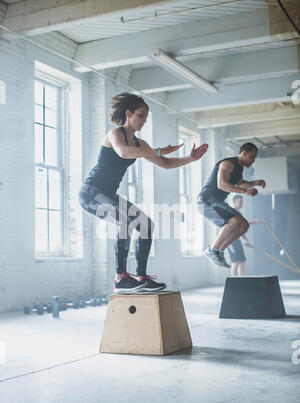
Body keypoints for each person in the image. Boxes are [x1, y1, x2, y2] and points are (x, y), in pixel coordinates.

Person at [79, 92, 209, 293]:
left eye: (146, 117)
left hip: (108, 194)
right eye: (140, 115)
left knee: (146, 225)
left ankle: (141, 277)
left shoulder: (140, 144)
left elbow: (164, 163)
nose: (144, 121)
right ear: (128, 114)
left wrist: (190, 159)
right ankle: (121, 278)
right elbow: (123, 152)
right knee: (125, 221)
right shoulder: (115, 134)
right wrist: (157, 151)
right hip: (91, 193)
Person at [197, 142, 266, 268]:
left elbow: (239, 184)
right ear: (244, 153)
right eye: (252, 157)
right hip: (207, 200)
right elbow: (221, 184)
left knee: (244, 225)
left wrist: (254, 183)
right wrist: (246, 192)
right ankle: (212, 250)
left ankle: (218, 251)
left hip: (216, 201)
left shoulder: (239, 169)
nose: (253, 161)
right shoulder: (228, 164)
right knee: (235, 222)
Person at [227, 194, 263, 276]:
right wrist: (253, 222)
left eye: (242, 202)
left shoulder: (239, 213)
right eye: (240, 201)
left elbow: (242, 228)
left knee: (242, 261)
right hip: (230, 241)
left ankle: (242, 279)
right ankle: (234, 281)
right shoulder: (231, 213)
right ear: (234, 201)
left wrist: (245, 240)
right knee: (236, 261)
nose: (242, 203)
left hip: (236, 239)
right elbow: (238, 226)